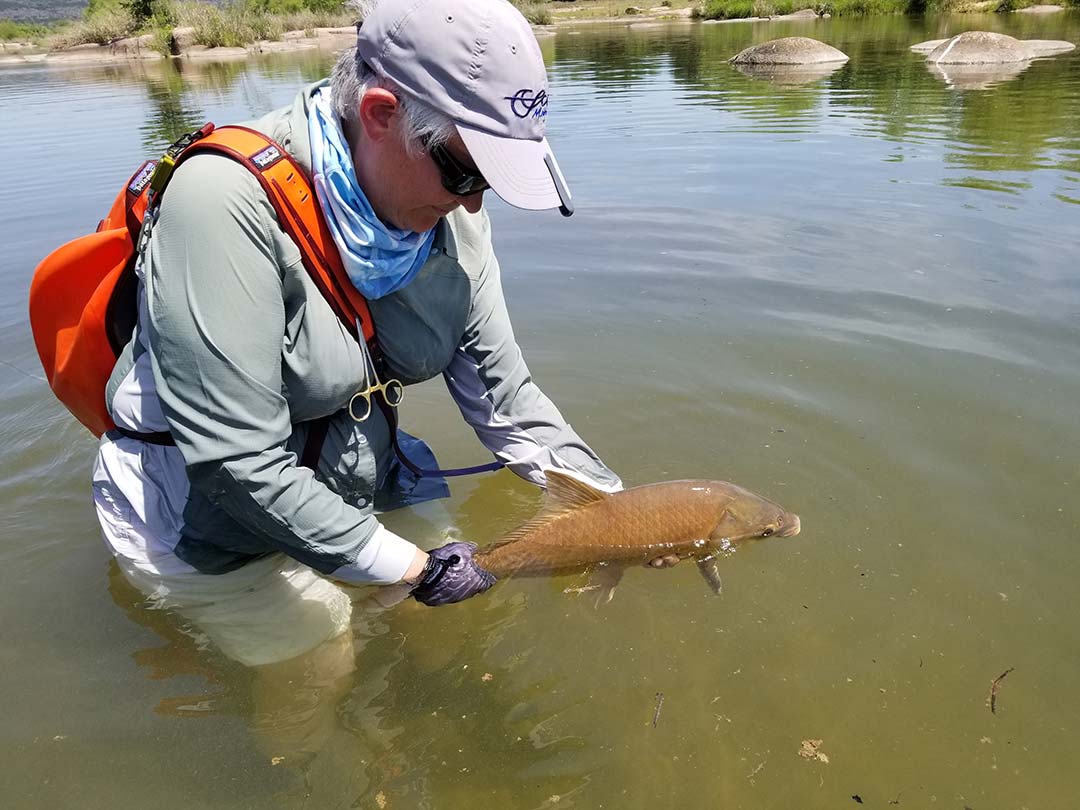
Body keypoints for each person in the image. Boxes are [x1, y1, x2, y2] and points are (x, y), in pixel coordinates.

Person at [92, 0, 673, 670]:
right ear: (379, 114)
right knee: (320, 653)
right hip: (204, 514)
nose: (475, 202)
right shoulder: (222, 203)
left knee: (452, 620)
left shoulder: (451, 212)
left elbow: (506, 399)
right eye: (465, 171)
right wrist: (414, 568)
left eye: (492, 175)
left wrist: (621, 515)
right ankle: (307, 767)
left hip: (355, 471)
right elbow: (235, 464)